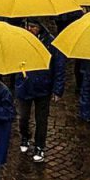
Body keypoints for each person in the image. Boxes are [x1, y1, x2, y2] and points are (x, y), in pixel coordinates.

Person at [17, 20, 65, 163]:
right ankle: (25, 136)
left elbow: (59, 66)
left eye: (34, 27)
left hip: (43, 87)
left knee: (41, 120)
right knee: (23, 118)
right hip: (25, 86)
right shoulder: (20, 40)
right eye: (29, 26)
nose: (31, 29)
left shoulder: (50, 43)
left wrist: (57, 90)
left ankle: (39, 146)